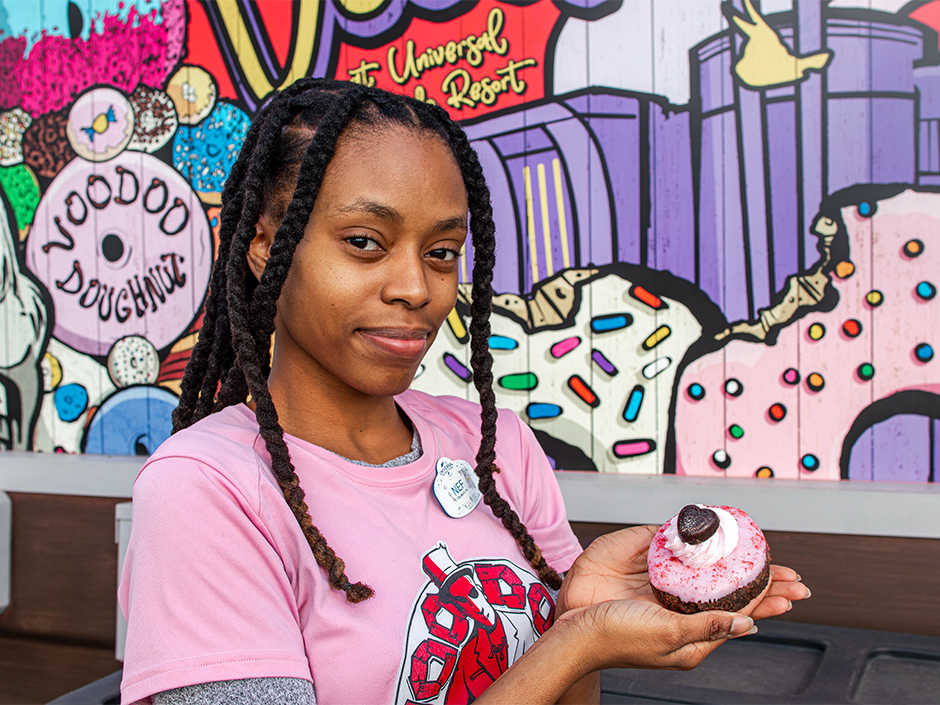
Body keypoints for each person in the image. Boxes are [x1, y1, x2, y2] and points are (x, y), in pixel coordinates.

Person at [118, 79, 809, 705]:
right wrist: (574, 642)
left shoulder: (496, 446)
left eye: (442, 252)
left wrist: (577, 618)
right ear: (266, 245)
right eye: (365, 241)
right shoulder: (208, 490)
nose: (417, 288)